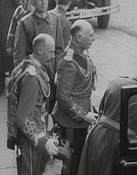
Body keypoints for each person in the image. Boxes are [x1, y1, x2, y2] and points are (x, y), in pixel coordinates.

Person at [52, 19, 98, 174]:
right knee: (70, 164)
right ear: (79, 38)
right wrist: (85, 116)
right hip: (71, 123)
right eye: (90, 35)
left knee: (77, 161)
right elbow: (63, 98)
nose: (94, 38)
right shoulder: (68, 62)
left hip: (80, 120)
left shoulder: (81, 54)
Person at [13, 33, 59, 175]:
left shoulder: (33, 67)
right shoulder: (31, 78)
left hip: (37, 137)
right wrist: (42, 140)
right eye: (51, 52)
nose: (53, 56)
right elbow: (24, 117)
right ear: (39, 50)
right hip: (31, 141)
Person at [14, 0, 65, 113]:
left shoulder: (55, 19)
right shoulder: (25, 23)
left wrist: (57, 71)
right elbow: (19, 58)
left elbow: (59, 50)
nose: (43, 2)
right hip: (34, 76)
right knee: (35, 113)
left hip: (52, 75)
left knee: (52, 110)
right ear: (32, 1)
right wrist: (24, 81)